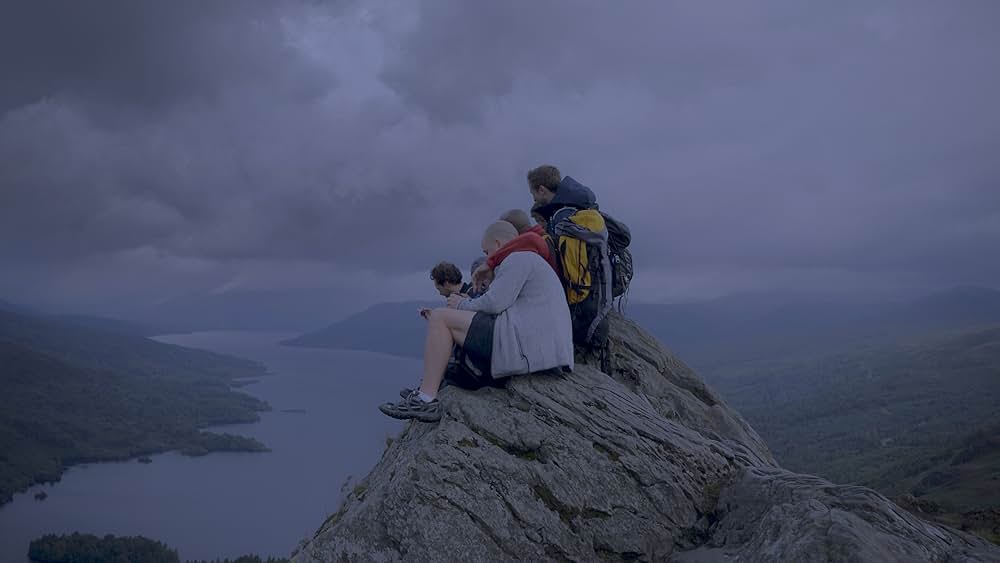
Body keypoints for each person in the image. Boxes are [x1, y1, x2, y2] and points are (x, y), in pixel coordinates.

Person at [379, 221, 573, 422]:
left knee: (440, 317)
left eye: (486, 251)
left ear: (498, 244)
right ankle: (430, 391)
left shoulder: (518, 258)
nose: (487, 257)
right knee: (445, 320)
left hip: (527, 348)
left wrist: (461, 304)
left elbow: (495, 304)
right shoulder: (531, 259)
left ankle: (426, 398)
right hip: (535, 347)